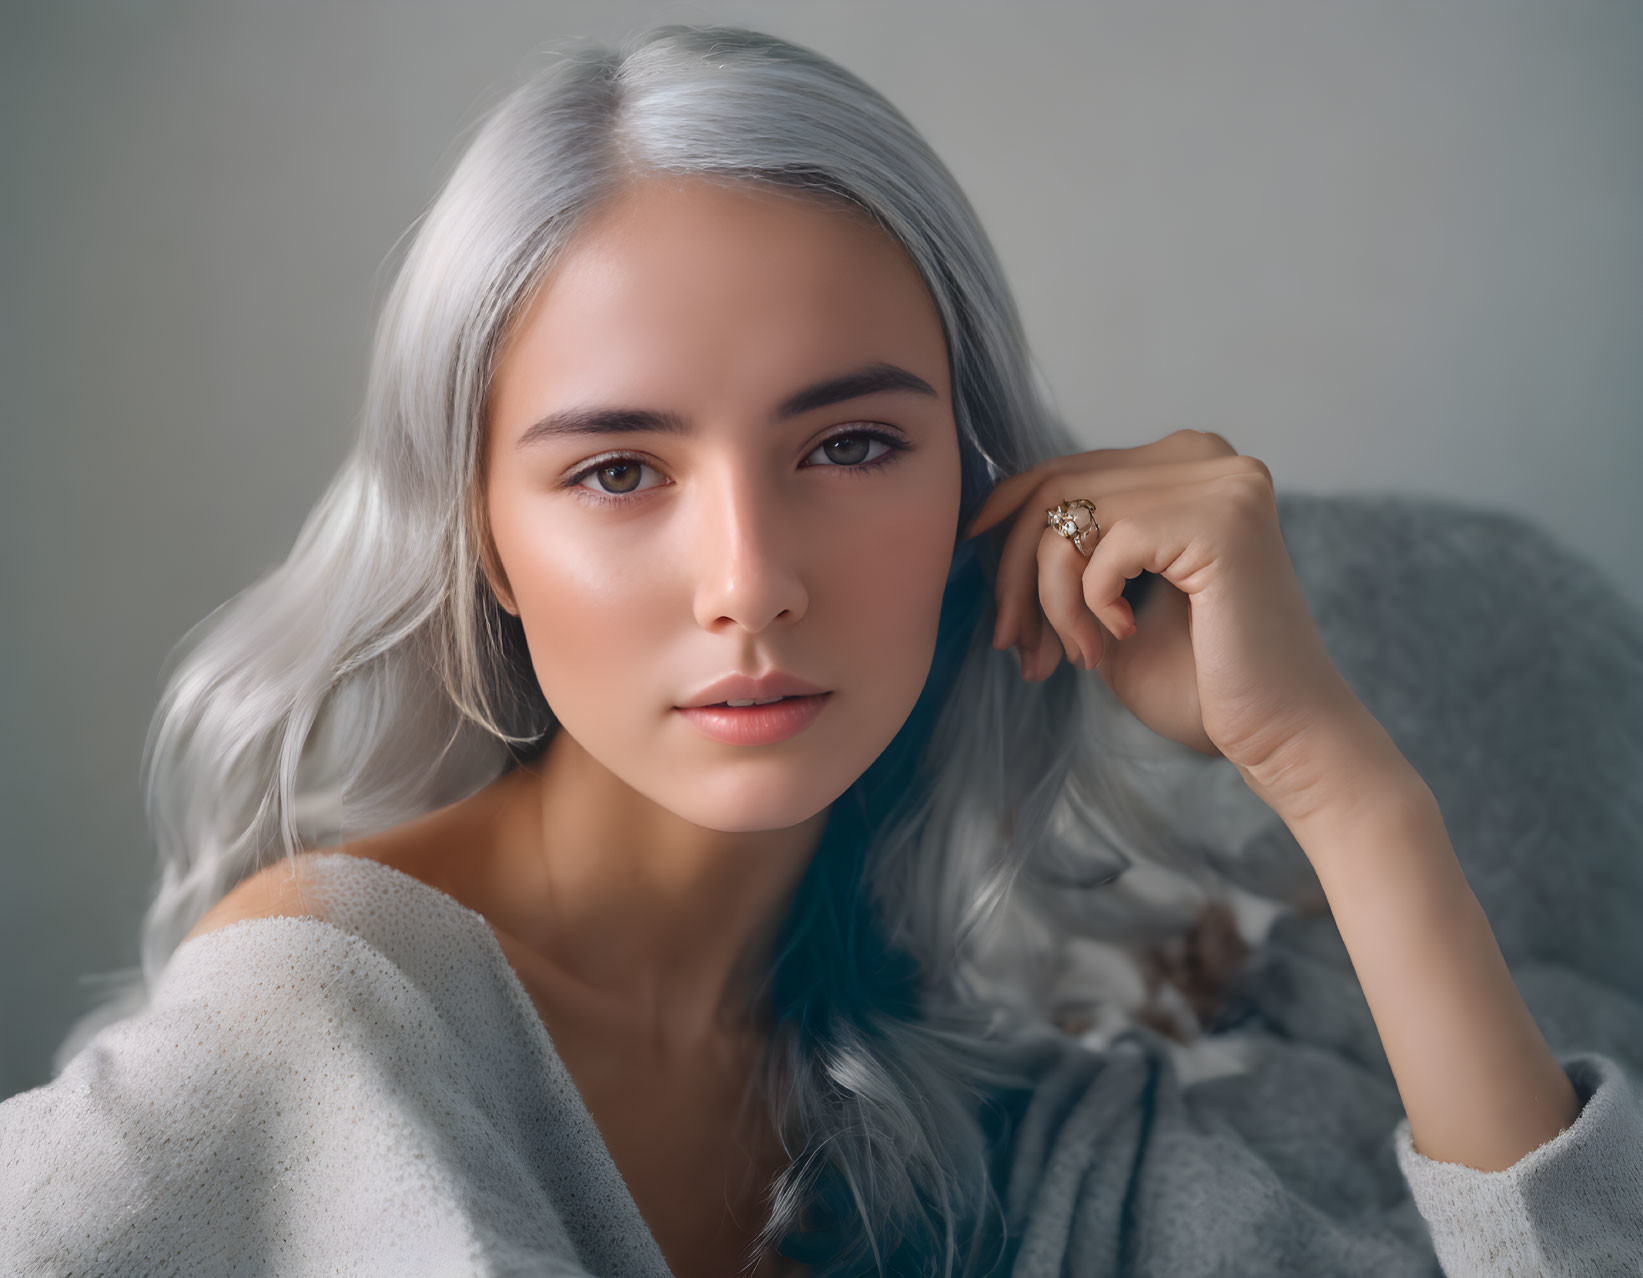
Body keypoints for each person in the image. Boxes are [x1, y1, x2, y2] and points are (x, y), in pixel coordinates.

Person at [5, 22, 1640, 1278]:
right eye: (617, 470)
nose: (753, 582)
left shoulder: (964, 1111)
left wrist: (1339, 781)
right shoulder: (316, 1032)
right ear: (481, 541)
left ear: (977, 490)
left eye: (850, 446)